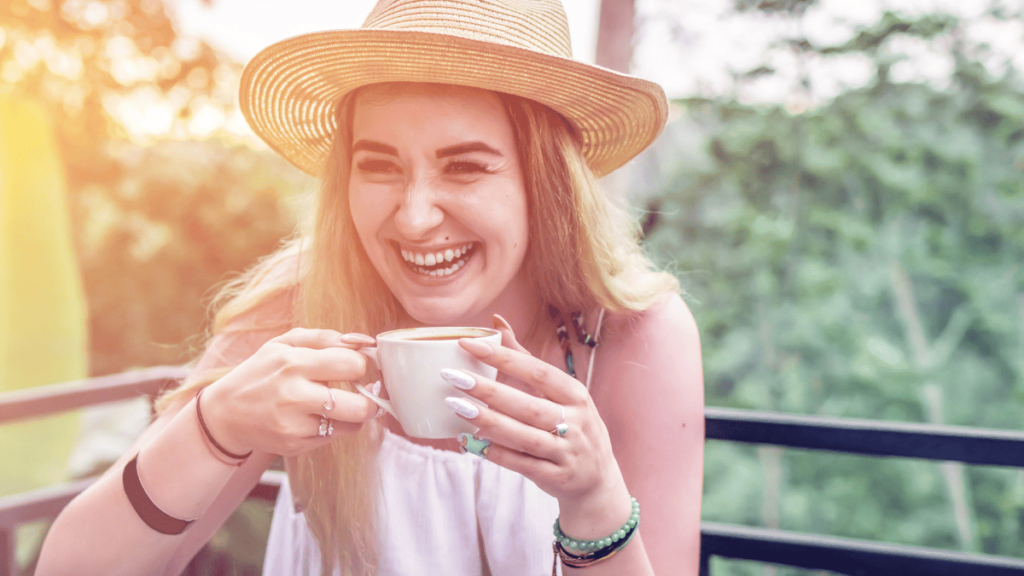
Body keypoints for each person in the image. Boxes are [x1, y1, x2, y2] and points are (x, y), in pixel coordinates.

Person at [36, 0, 705, 574]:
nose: (414, 216)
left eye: (465, 167)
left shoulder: (632, 339)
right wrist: (218, 424)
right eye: (379, 166)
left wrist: (595, 502)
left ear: (543, 182)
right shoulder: (302, 301)